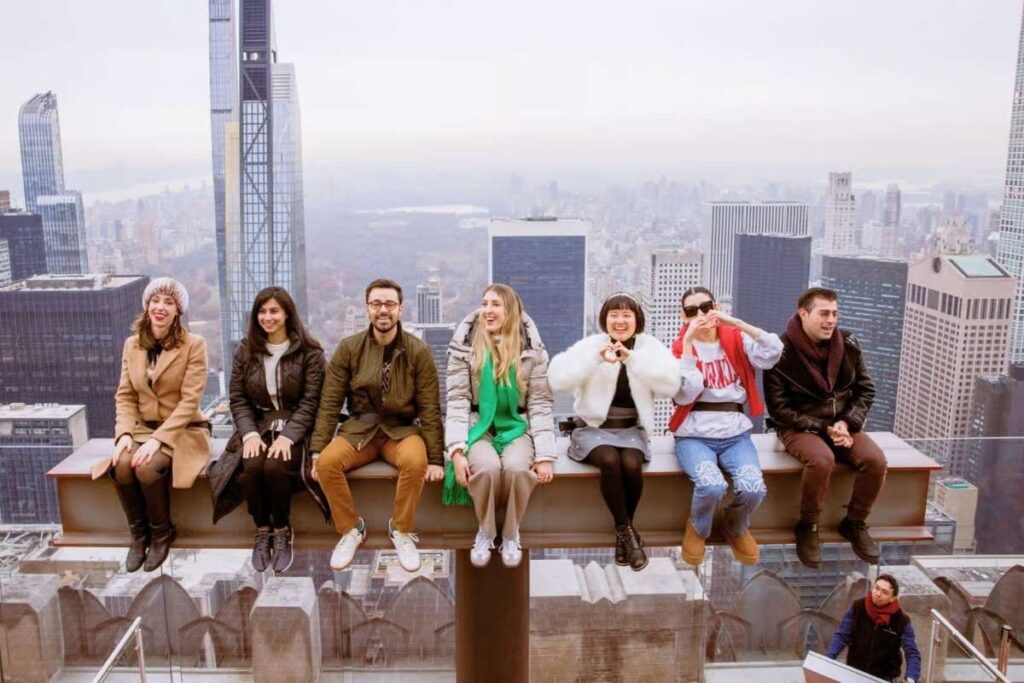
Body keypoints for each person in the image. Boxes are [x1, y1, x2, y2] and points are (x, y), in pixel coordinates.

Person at [310, 278, 445, 573]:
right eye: (376, 304)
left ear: (400, 308)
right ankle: (350, 529)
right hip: (360, 429)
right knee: (327, 465)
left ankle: (401, 529)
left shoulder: (418, 351)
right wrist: (318, 448)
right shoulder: (348, 349)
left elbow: (430, 408)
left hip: (402, 430)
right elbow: (330, 403)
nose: (383, 310)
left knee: (415, 461)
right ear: (367, 308)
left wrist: (436, 457)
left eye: (389, 304)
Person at [549, 293, 680, 571]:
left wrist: (632, 359)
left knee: (631, 464)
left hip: (631, 427)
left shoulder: (649, 347)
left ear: (637, 319)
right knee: (610, 460)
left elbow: (670, 384)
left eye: (626, 315)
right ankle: (629, 535)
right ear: (604, 319)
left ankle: (624, 535)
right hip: (594, 428)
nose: (620, 321)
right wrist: (594, 361)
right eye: (614, 315)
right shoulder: (592, 345)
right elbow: (557, 378)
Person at [93, 277, 211, 572]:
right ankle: (139, 535)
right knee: (121, 463)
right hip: (141, 428)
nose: (160, 307)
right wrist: (123, 434)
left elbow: (189, 401)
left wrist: (159, 440)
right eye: (155, 301)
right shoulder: (132, 345)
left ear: (178, 311)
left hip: (182, 429)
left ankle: (162, 533)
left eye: (168, 303)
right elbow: (125, 395)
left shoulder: (193, 345)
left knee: (145, 466)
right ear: (147, 306)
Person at [764, 287, 887, 569]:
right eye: (824, 313)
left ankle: (855, 522)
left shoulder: (848, 344)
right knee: (821, 460)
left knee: (875, 460)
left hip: (843, 424)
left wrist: (847, 422)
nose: (831, 320)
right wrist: (824, 427)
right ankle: (808, 526)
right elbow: (780, 410)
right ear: (803, 314)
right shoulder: (780, 354)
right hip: (799, 426)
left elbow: (866, 389)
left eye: (834, 313)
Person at [210, 286, 329, 573]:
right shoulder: (246, 350)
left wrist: (289, 436)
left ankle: (283, 530)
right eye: (262, 311)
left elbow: (312, 401)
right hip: (259, 426)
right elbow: (237, 398)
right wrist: (249, 433)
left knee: (275, 468)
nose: (267, 317)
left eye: (274, 310)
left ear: (288, 313)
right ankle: (262, 530)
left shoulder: (310, 353)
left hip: (296, 428)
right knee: (251, 467)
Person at [445, 284, 556, 568]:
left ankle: (510, 533)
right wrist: (457, 450)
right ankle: (486, 530)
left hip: (516, 425)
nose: (488, 310)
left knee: (519, 469)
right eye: (484, 304)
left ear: (510, 311)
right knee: (487, 468)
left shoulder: (533, 350)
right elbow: (457, 398)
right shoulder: (465, 347)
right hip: (477, 424)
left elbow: (540, 403)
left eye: (496, 305)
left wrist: (545, 456)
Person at [671, 286, 780, 567]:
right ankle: (698, 528)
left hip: (735, 433)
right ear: (683, 318)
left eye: (706, 307)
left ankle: (736, 525)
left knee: (754, 487)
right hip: (694, 435)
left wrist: (735, 323)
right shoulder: (679, 349)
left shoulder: (736, 339)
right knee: (711, 485)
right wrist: (689, 347)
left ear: (716, 306)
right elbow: (685, 394)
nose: (701, 315)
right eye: (692, 312)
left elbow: (772, 352)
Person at [826, 574, 922, 683]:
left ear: (893, 598)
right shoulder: (858, 607)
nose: (878, 594)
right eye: (877, 588)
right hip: (854, 672)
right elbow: (842, 636)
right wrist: (828, 659)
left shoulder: (901, 621)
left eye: (884, 592)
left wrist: (911, 678)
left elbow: (912, 653)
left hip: (884, 677)